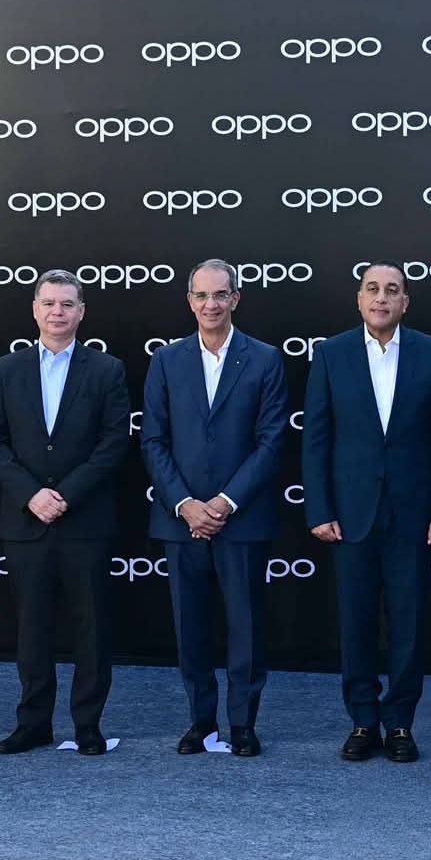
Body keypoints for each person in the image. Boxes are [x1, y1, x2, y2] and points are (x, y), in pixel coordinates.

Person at [303, 261, 431, 762]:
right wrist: (319, 508)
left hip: (412, 514)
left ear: (405, 302)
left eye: (392, 290)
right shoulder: (331, 354)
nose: (381, 297)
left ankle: (400, 723)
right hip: (351, 514)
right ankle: (363, 721)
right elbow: (316, 438)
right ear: (359, 299)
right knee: (356, 623)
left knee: (408, 625)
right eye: (372, 288)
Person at [141, 259, 289, 757]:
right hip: (181, 520)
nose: (211, 304)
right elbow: (153, 440)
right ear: (189, 301)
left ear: (235, 299)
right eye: (201, 295)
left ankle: (243, 724)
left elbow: (271, 441)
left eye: (220, 294)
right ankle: (200, 722)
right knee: (191, 628)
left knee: (245, 627)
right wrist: (186, 504)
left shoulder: (265, 359)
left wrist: (224, 502)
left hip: (241, 519)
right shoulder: (166, 360)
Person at [0, 271, 131, 756]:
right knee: (32, 629)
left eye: (67, 304)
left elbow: (114, 443)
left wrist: (63, 495)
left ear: (81, 311)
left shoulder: (106, 370)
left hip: (84, 521)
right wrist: (31, 495)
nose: (57, 312)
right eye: (49, 303)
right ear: (35, 309)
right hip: (26, 521)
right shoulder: (6, 369)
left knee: (92, 628)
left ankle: (88, 724)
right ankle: (33, 723)